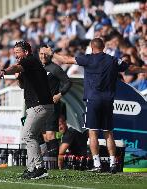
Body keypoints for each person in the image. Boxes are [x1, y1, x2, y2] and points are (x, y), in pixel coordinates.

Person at [52, 38, 147, 173]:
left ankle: (97, 164)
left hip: (93, 100)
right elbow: (130, 68)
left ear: (91, 47)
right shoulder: (112, 60)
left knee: (93, 133)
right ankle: (113, 163)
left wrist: (52, 53)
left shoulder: (88, 59)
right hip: (108, 101)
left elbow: (66, 60)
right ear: (103, 47)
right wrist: (144, 69)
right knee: (109, 133)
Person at [0, 41, 53, 179]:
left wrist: (4, 71)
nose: (15, 55)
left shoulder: (30, 60)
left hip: (39, 105)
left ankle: (40, 168)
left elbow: (15, 67)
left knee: (27, 136)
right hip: (36, 106)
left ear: (26, 52)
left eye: (17, 52)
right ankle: (31, 168)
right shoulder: (28, 64)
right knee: (31, 136)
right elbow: (22, 85)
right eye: (14, 53)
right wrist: (18, 77)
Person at [38, 45, 72, 156]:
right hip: (39, 106)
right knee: (43, 135)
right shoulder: (37, 68)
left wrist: (59, 94)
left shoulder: (55, 68)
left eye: (45, 54)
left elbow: (68, 82)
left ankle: (54, 164)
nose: (43, 56)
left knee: (50, 134)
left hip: (52, 106)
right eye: (41, 54)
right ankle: (47, 161)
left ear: (50, 55)